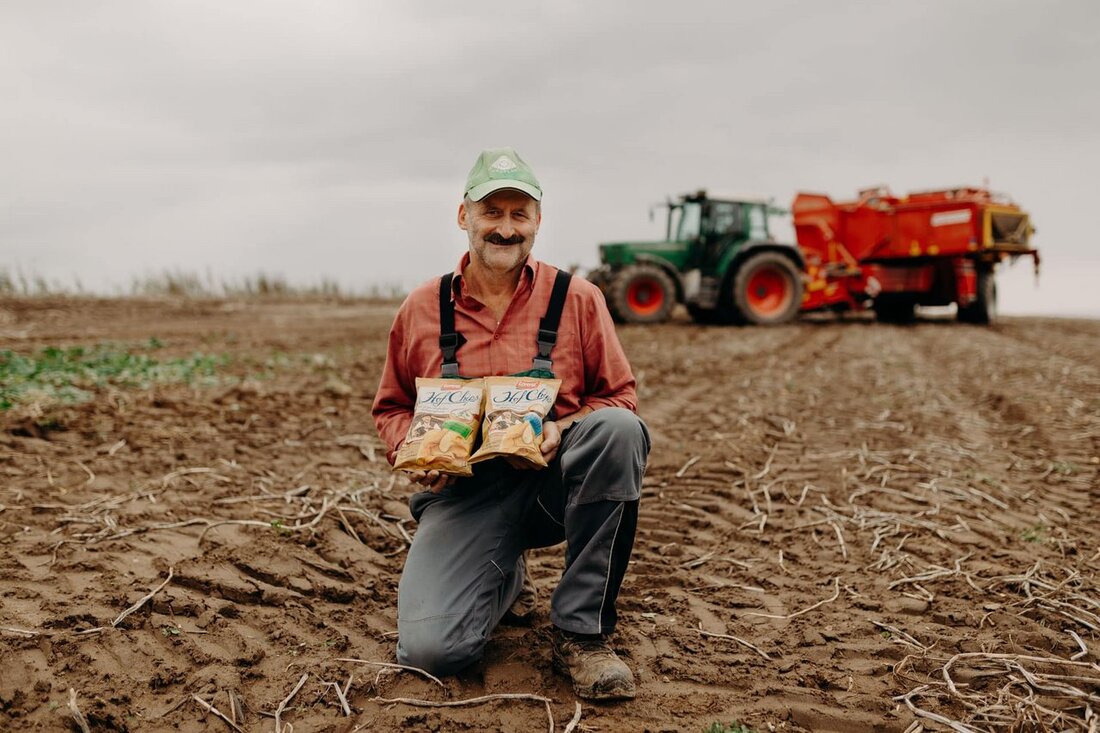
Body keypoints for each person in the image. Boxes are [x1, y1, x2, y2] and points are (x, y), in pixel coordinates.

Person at [371, 147, 650, 700]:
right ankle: (502, 573)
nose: (504, 228)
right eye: (491, 212)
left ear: (537, 222)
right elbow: (392, 406)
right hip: (464, 496)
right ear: (463, 216)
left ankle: (582, 634)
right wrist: (415, 450)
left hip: (553, 489)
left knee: (617, 434)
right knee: (433, 653)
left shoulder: (579, 299)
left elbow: (620, 398)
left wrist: (563, 430)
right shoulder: (422, 308)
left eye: (518, 214)